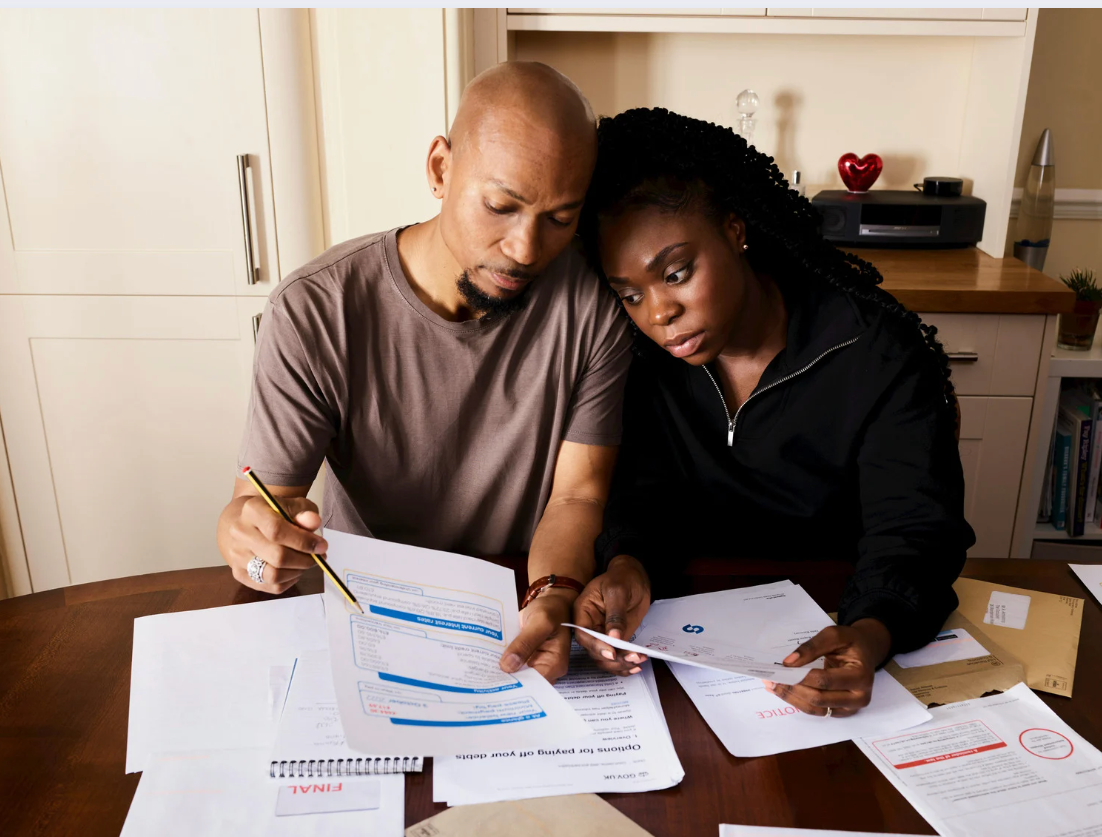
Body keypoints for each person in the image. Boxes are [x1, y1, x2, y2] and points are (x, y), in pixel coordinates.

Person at [217, 63, 631, 682]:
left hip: (515, 611)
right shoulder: (315, 310)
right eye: (500, 206)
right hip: (366, 615)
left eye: (559, 219)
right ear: (440, 169)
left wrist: (551, 594)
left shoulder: (592, 309)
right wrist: (251, 541)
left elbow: (577, 494)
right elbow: (262, 506)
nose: (525, 249)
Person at [572, 108, 975, 717]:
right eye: (629, 293)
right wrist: (629, 564)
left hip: (837, 626)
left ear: (736, 230)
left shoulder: (874, 351)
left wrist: (869, 634)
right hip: (686, 650)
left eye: (677, 273)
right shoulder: (642, 362)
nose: (658, 313)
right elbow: (645, 492)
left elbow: (914, 529)